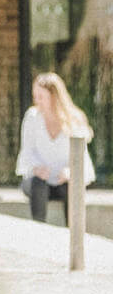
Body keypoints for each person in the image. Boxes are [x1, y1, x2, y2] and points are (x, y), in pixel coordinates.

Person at [15, 72, 96, 222]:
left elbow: (83, 160)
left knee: (71, 188)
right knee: (38, 184)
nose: (36, 101)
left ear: (54, 97)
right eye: (35, 96)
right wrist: (36, 169)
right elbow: (26, 153)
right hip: (37, 182)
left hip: (62, 183)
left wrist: (70, 172)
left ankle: (73, 238)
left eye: (41, 97)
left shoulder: (74, 120)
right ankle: (39, 231)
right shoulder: (32, 117)